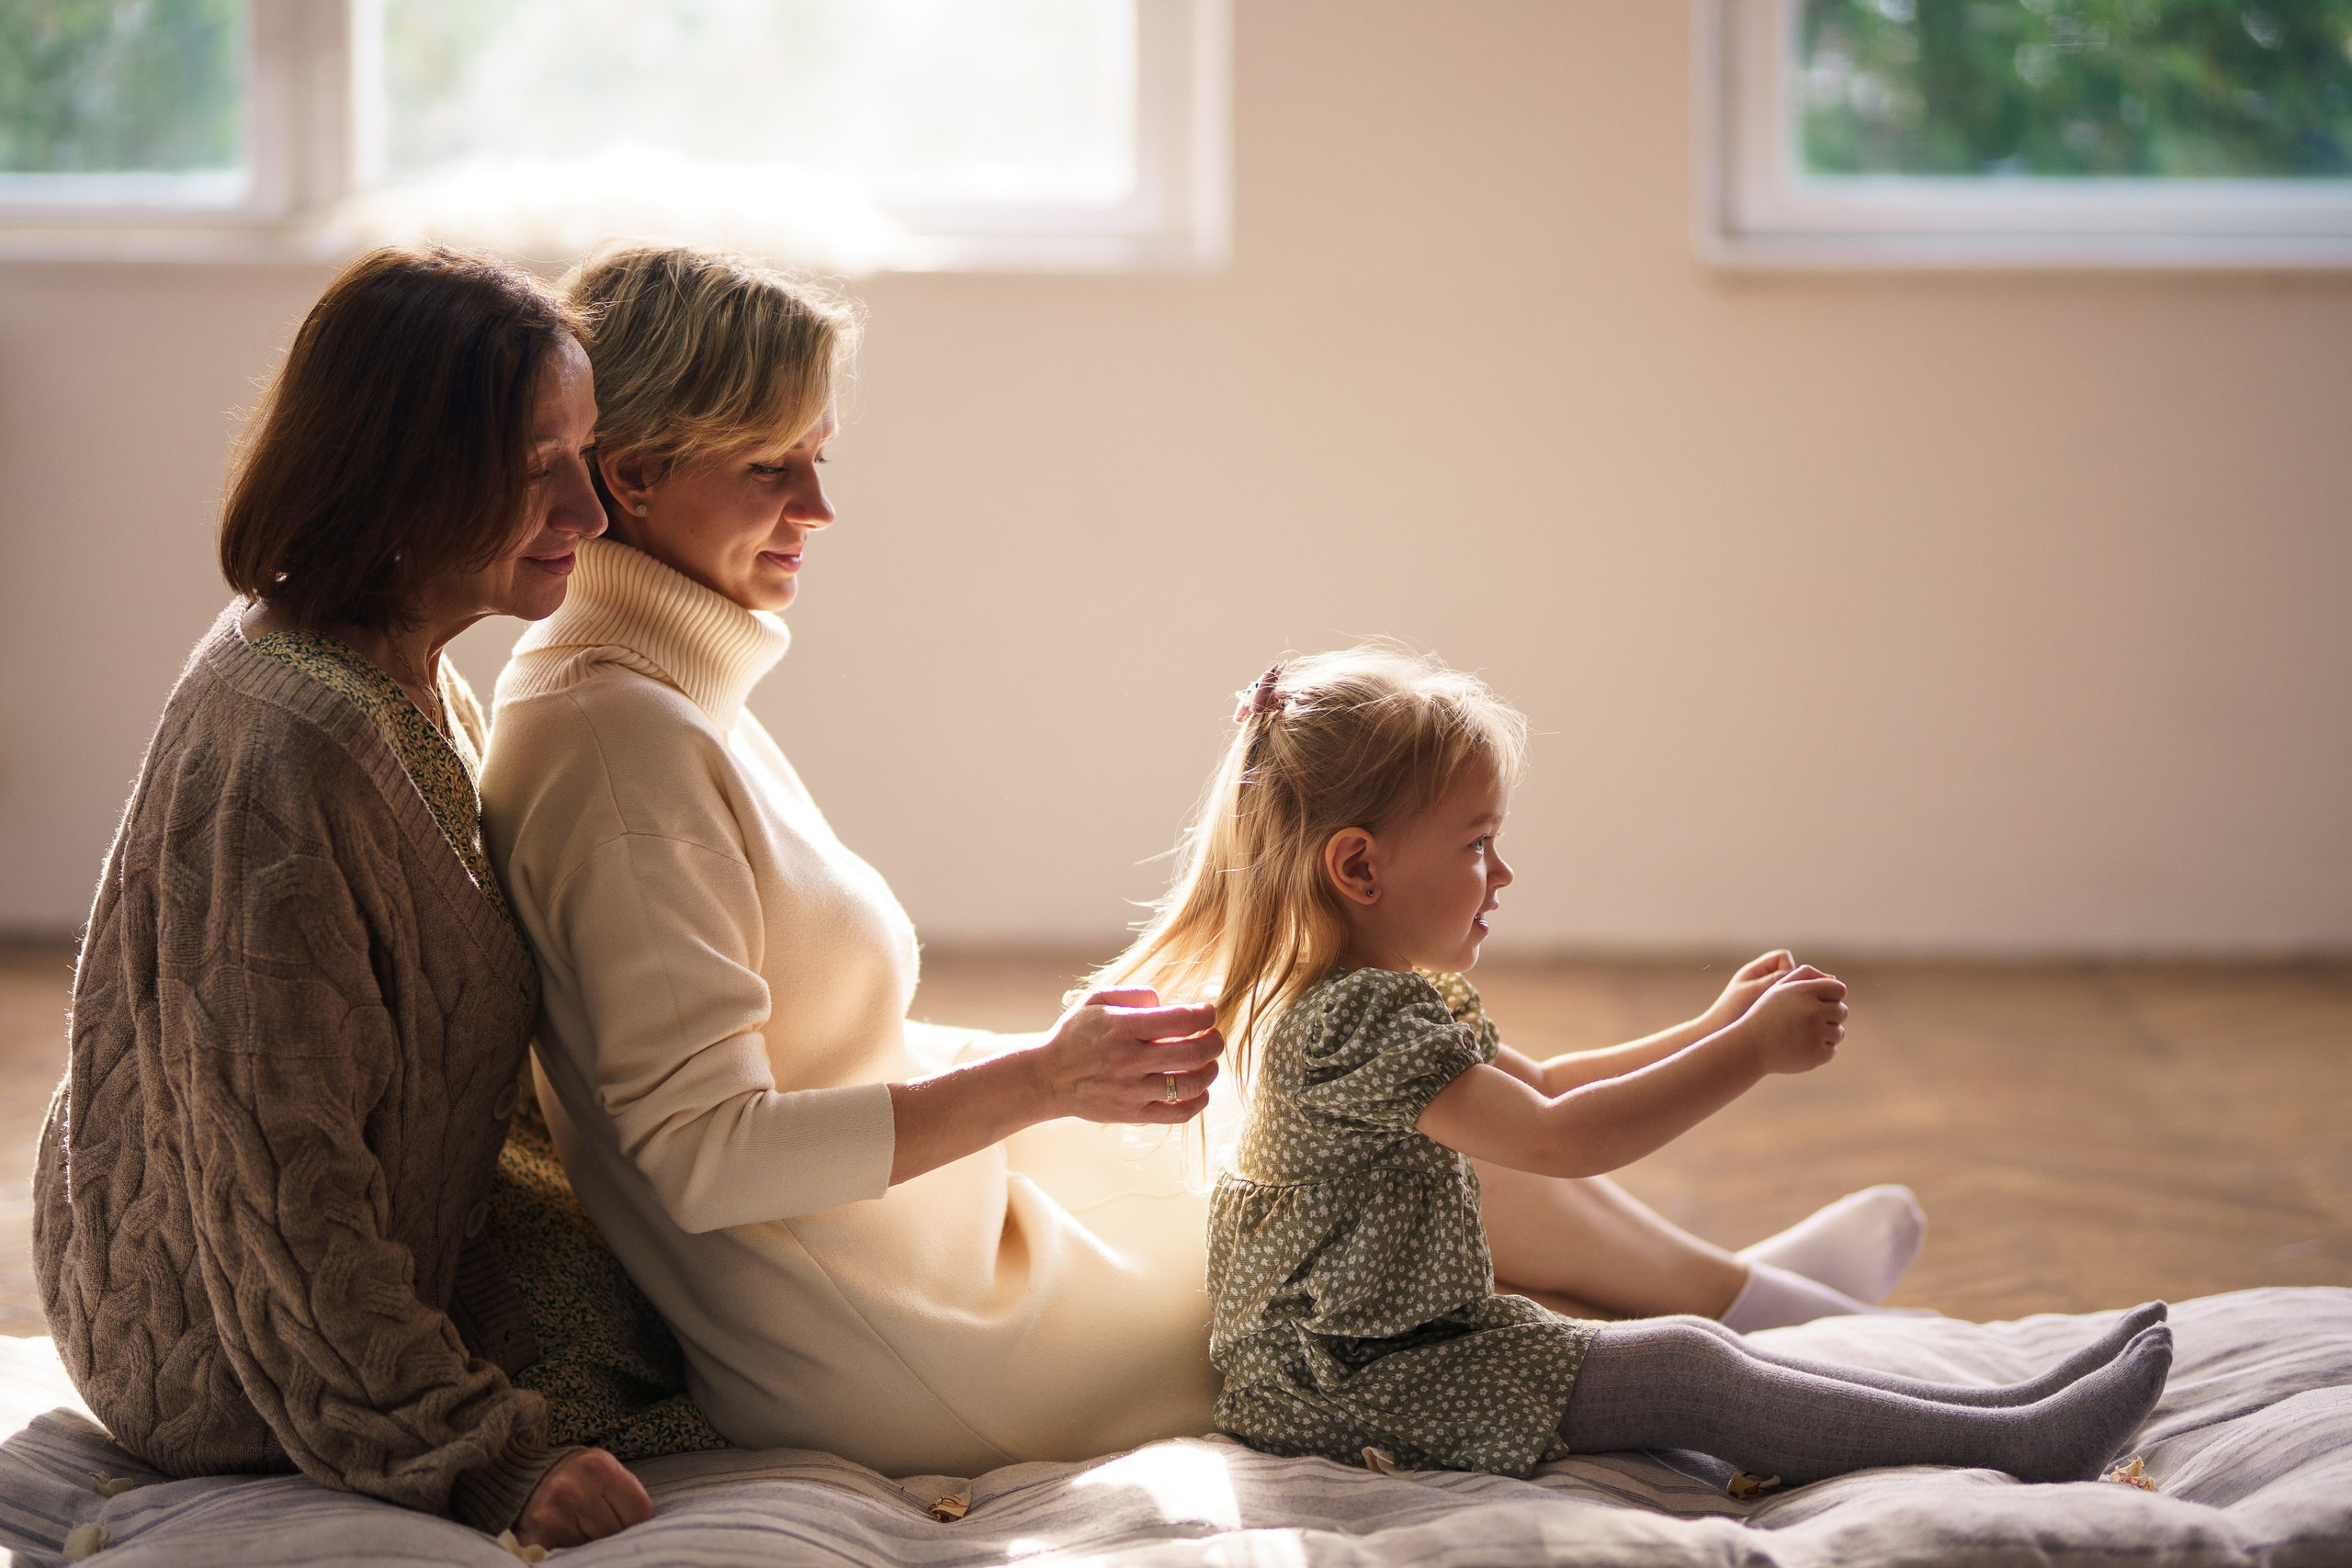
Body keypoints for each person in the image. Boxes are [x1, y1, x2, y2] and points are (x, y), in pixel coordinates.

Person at [477, 243, 1941, 1475]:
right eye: (771, 467)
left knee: (1353, 1090)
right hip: (902, 1337)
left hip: (911, 1231)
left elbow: (798, 1033)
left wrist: (1085, 1070)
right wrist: (1047, 1079)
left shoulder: (649, 695)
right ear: (638, 474)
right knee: (1403, 1149)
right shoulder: (621, 746)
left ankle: (1755, 1300)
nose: (820, 507)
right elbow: (699, 1154)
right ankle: (1804, 1323)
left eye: (820, 458)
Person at [1094, 647, 2172, 1482]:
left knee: (1669, 1353)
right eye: (1475, 844)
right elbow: (1564, 1143)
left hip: (1398, 1347)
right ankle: (2018, 1439)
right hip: (1347, 1383)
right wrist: (1746, 1056)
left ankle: (2008, 1412)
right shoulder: (1348, 1025)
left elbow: (1549, 1086)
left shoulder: (1369, 999)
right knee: (1686, 1371)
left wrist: (1711, 1024)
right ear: (1360, 867)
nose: (1501, 871)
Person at [33, 246, 651, 1548]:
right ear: (401, 467)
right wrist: (474, 1455)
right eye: (538, 466)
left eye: (586, 456)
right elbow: (280, 1185)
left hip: (330, 1268)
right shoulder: (292, 747)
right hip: (225, 1356)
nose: (589, 511)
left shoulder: (394, 657)